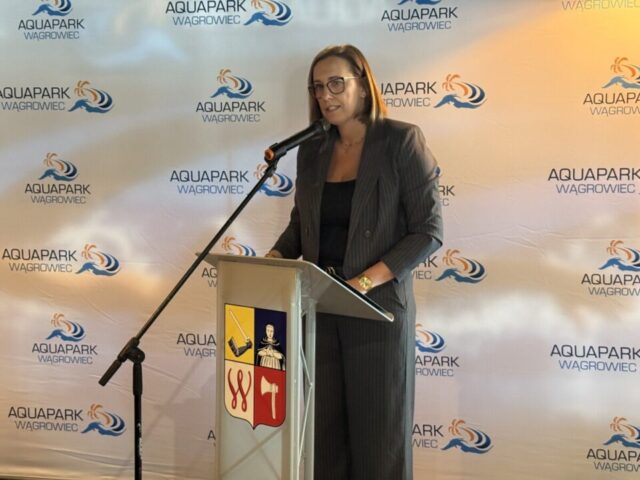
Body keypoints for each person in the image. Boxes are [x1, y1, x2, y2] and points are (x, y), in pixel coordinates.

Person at [266, 44, 443, 480]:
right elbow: (302, 226)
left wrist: (363, 282)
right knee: (325, 445)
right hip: (319, 312)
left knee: (379, 448)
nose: (325, 96)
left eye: (336, 83)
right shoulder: (312, 150)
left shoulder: (401, 141)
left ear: (363, 86)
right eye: (317, 87)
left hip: (376, 313)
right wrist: (273, 259)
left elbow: (428, 230)